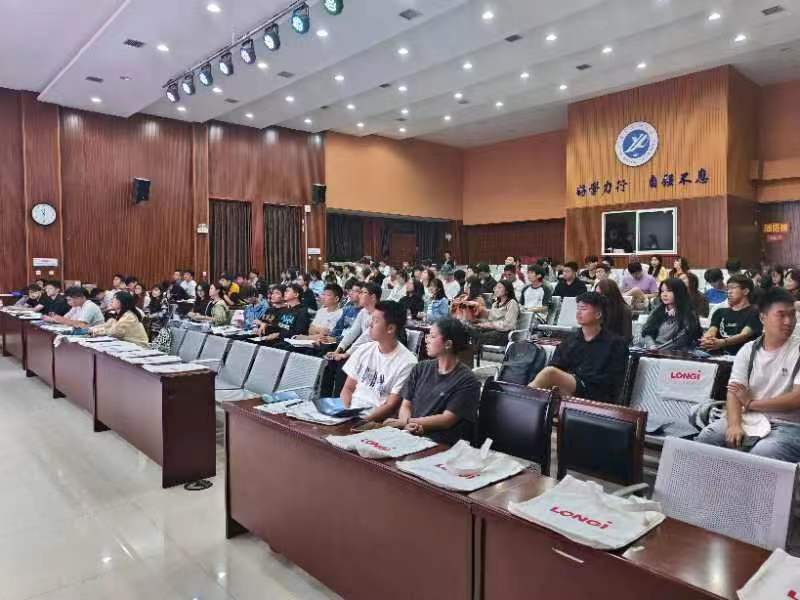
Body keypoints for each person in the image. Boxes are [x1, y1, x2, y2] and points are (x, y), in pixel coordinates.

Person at [696, 288, 800, 462]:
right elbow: (734, 392)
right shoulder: (748, 350)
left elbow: (796, 399)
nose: (789, 321)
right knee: (708, 438)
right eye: (781, 315)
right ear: (763, 318)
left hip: (788, 425)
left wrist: (752, 403)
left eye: (792, 315)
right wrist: (734, 425)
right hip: (750, 418)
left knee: (762, 453)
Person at [385, 318, 480, 444]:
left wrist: (406, 422)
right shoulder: (420, 368)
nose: (427, 340)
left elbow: (447, 420)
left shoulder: (467, 380)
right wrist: (407, 425)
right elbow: (406, 404)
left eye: (432, 336)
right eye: (428, 335)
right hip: (411, 433)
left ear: (448, 344)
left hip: (441, 442)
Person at [530, 292, 628, 402]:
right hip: (569, 388)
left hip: (596, 392)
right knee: (549, 381)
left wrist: (574, 379)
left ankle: (522, 400)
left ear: (598, 314)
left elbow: (614, 381)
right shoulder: (570, 340)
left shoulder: (616, 343)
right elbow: (556, 365)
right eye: (578, 308)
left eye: (583, 309)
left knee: (549, 373)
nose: (578, 312)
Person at [340, 301, 418, 422]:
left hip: (375, 421)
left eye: (375, 321)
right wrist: (345, 413)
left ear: (390, 328)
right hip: (350, 415)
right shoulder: (364, 349)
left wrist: (362, 422)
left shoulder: (408, 363)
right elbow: (348, 389)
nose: (370, 324)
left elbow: (391, 406)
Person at [699, 274, 762, 355]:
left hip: (743, 356)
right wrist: (707, 339)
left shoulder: (755, 311)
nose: (729, 291)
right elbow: (712, 330)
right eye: (728, 288)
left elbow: (744, 334)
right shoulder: (720, 312)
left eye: (733, 288)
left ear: (745, 291)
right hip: (719, 356)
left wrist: (723, 342)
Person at [640, 278, 701, 351]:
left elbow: (682, 339)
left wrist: (658, 350)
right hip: (653, 350)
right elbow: (647, 331)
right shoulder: (657, 311)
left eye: (669, 291)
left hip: (676, 353)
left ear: (679, 292)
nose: (664, 295)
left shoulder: (688, 314)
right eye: (662, 291)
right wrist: (651, 346)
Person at [327, 282, 381, 359]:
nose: (360, 295)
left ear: (373, 297)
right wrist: (337, 351)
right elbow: (352, 332)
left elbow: (364, 338)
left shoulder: (379, 315)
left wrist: (346, 354)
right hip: (363, 349)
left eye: (363, 292)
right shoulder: (363, 312)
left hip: (375, 353)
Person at [471, 280, 520, 346]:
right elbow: (490, 319)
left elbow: (508, 325)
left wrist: (490, 325)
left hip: (505, 333)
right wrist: (481, 323)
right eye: (495, 288)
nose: (496, 290)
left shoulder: (512, 303)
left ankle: (474, 350)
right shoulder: (495, 304)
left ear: (507, 291)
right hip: (493, 330)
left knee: (481, 337)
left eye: (499, 288)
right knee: (472, 328)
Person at [595, 279, 632, 343]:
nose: (599, 297)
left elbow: (626, 337)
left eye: (602, 294)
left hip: (616, 344)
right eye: (597, 294)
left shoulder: (624, 310)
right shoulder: (597, 308)